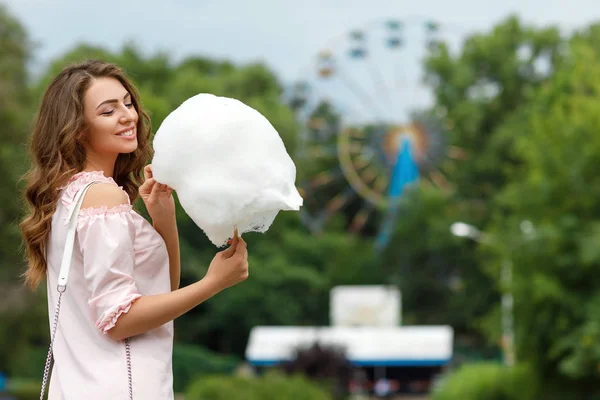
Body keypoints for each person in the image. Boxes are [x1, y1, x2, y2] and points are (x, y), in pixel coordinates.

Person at [19, 59, 249, 399]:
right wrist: (213, 283)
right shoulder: (102, 197)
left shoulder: (67, 197)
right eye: (108, 111)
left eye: (128, 103)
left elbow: (158, 300)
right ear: (78, 128)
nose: (128, 116)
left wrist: (163, 220)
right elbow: (119, 320)